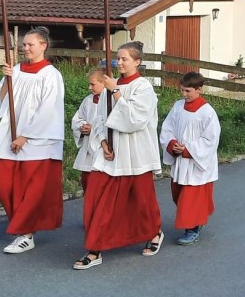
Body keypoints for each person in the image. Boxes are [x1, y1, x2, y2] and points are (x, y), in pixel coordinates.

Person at [74, 41, 163, 270]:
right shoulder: (111, 86)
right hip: (110, 154)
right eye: (118, 58)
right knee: (96, 196)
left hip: (135, 152)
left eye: (125, 59)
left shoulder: (143, 87)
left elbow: (135, 120)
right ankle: (95, 249)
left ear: (137, 62)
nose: (120, 62)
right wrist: (102, 141)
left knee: (142, 199)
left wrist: (114, 91)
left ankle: (154, 233)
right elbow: (102, 119)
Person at [0, 27, 65, 254]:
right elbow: (0, 100)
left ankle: (26, 234)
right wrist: (6, 80)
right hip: (10, 136)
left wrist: (25, 136)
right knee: (3, 186)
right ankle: (21, 226)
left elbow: (49, 110)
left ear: (43, 46)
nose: (25, 48)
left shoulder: (51, 75)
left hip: (37, 140)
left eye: (30, 44)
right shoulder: (17, 70)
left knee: (31, 190)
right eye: (23, 45)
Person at [160, 71, 221, 246]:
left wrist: (188, 150)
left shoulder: (207, 112)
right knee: (178, 194)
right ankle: (195, 221)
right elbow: (168, 128)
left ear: (199, 89)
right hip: (180, 160)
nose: (184, 94)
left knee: (191, 198)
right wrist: (172, 145)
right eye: (182, 90)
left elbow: (210, 139)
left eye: (188, 91)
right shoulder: (178, 107)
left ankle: (192, 229)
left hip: (196, 163)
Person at [71, 69, 107, 193]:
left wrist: (94, 129)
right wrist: (82, 126)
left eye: (93, 84)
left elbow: (113, 123)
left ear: (104, 83)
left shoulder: (111, 100)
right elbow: (78, 118)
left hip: (103, 148)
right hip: (87, 148)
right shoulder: (88, 100)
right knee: (87, 184)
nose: (89, 87)